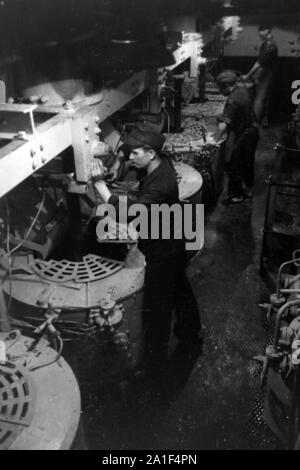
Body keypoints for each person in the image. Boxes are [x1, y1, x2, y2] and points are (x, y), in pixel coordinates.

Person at [92, 127, 202, 377]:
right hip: (172, 237)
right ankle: (190, 331)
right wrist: (117, 164)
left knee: (157, 306)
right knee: (180, 288)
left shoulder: (161, 184)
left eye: (135, 153)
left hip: (164, 247)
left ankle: (153, 364)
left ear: (150, 153)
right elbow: (127, 160)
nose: (130, 158)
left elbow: (132, 212)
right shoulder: (158, 166)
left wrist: (100, 186)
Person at [215, 70, 259, 205]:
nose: (219, 91)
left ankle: (236, 195)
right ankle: (248, 189)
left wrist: (213, 139)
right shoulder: (242, 90)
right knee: (247, 162)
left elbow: (223, 125)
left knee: (233, 164)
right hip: (253, 131)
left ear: (226, 86)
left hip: (244, 135)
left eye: (219, 88)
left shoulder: (233, 100)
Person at [242, 25, 278, 126]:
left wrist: (248, 75)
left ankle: (253, 123)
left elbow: (259, 63)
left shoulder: (270, 45)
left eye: (261, 31)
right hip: (266, 72)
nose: (259, 34)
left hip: (265, 72)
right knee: (263, 97)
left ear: (267, 30)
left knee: (259, 98)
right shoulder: (267, 43)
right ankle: (262, 120)